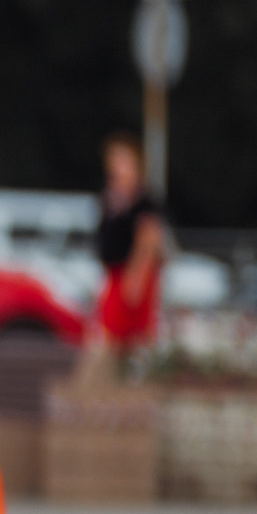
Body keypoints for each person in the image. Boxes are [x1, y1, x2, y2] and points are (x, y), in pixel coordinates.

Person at [91, 132, 167, 354]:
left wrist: (136, 277)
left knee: (134, 336)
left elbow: (149, 241)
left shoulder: (144, 202)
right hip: (114, 273)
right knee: (111, 335)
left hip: (132, 275)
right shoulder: (110, 199)